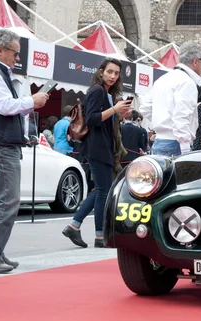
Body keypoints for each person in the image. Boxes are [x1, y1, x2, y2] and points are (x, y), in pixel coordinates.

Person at [0, 29, 48, 273]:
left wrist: (27, 105)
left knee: (0, 201)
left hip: (2, 143)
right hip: (2, 146)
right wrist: (31, 101)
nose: (17, 57)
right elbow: (3, 106)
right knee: (7, 200)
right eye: (15, 52)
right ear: (0, 50)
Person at [62, 58, 132, 249]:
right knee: (103, 191)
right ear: (101, 72)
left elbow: (105, 120)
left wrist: (119, 113)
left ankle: (75, 226)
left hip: (103, 147)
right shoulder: (97, 90)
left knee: (103, 189)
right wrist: (115, 109)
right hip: (97, 147)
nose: (113, 76)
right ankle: (99, 235)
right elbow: (92, 118)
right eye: (109, 72)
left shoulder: (106, 93)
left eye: (116, 73)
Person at [140, 41, 201, 156]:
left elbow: (145, 107)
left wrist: (162, 120)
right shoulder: (187, 82)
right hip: (176, 143)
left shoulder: (163, 79)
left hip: (159, 140)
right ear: (195, 61)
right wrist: (185, 148)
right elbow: (181, 116)